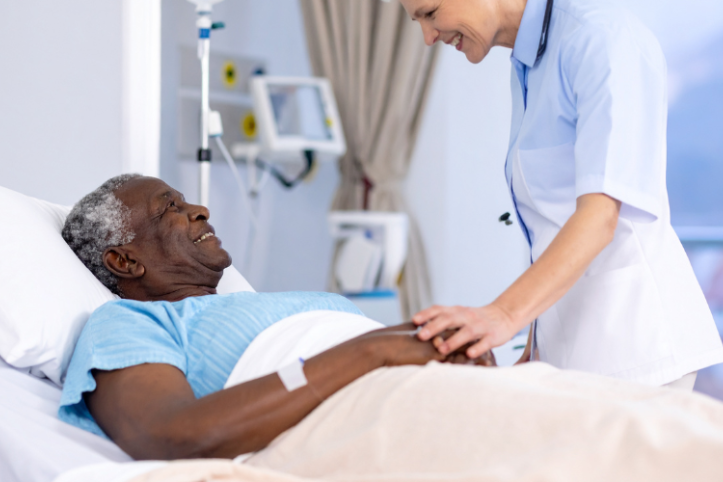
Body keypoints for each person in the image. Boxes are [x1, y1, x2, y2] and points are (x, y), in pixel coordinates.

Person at [401, 0, 723, 388]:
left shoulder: (600, 40)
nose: (427, 36)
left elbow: (600, 215)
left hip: (636, 347)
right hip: (572, 353)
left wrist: (502, 315)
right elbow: (551, 223)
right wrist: (534, 347)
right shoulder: (528, 62)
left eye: (430, 13)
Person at [59, 174, 494, 461]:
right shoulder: (129, 323)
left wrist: (448, 342)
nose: (201, 210)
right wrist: (373, 352)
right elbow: (170, 434)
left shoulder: (279, 303)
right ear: (124, 260)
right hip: (369, 426)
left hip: (447, 396)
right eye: (169, 208)